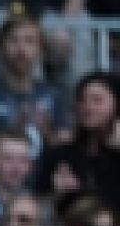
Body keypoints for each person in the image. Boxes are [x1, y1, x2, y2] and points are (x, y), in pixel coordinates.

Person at [0, 13, 71, 168]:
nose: (21, 49)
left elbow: (68, 155)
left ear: (40, 50)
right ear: (0, 47)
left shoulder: (56, 95)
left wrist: (46, 130)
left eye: (29, 41)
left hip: (45, 186)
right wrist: (13, 129)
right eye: (13, 40)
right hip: (1, 187)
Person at [32, 71, 120, 215]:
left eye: (97, 100)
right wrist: (58, 194)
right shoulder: (59, 154)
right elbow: (37, 206)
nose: (88, 107)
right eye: (82, 100)